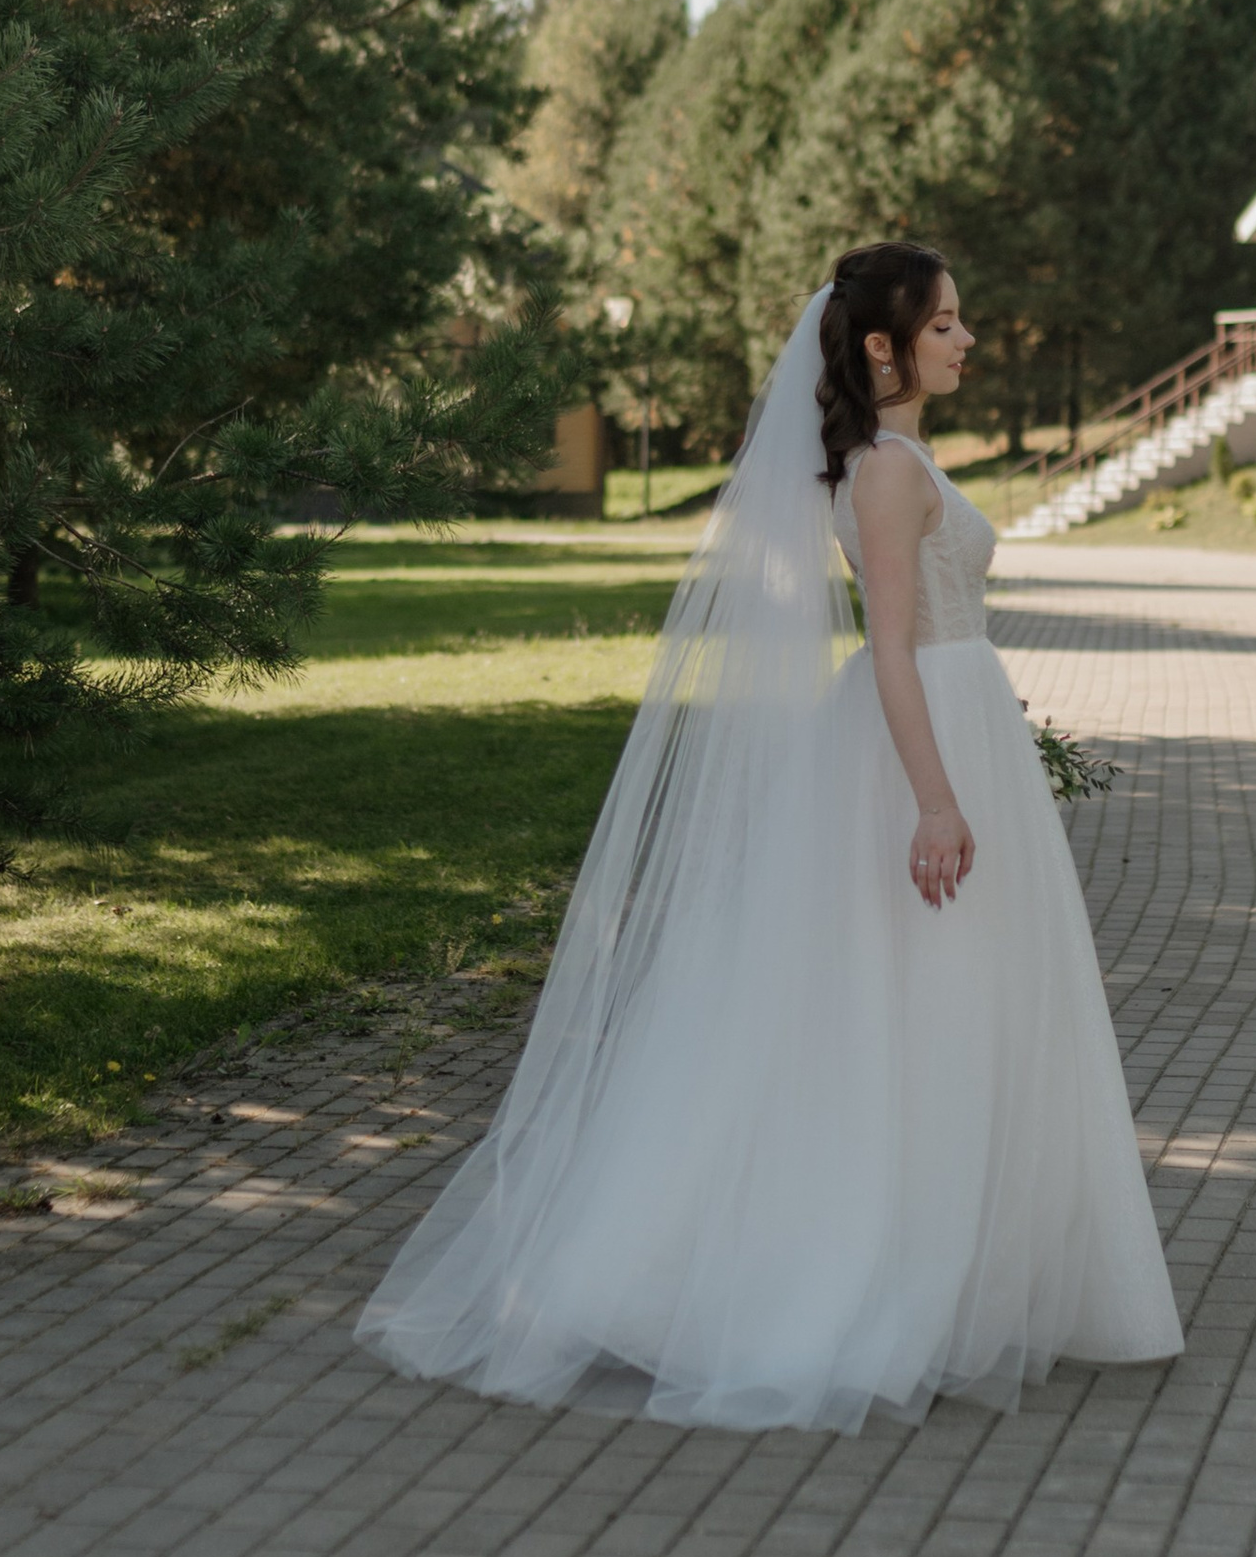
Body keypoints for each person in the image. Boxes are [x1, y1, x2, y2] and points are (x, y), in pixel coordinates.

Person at [358, 243, 1182, 1430]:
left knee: (944, 1005)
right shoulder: (888, 473)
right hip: (927, 730)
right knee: (925, 1006)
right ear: (884, 347)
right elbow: (893, 645)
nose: (966, 340)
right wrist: (937, 800)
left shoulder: (889, 458)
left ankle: (947, 1272)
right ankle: (878, 1276)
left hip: (950, 720)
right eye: (945, 323)